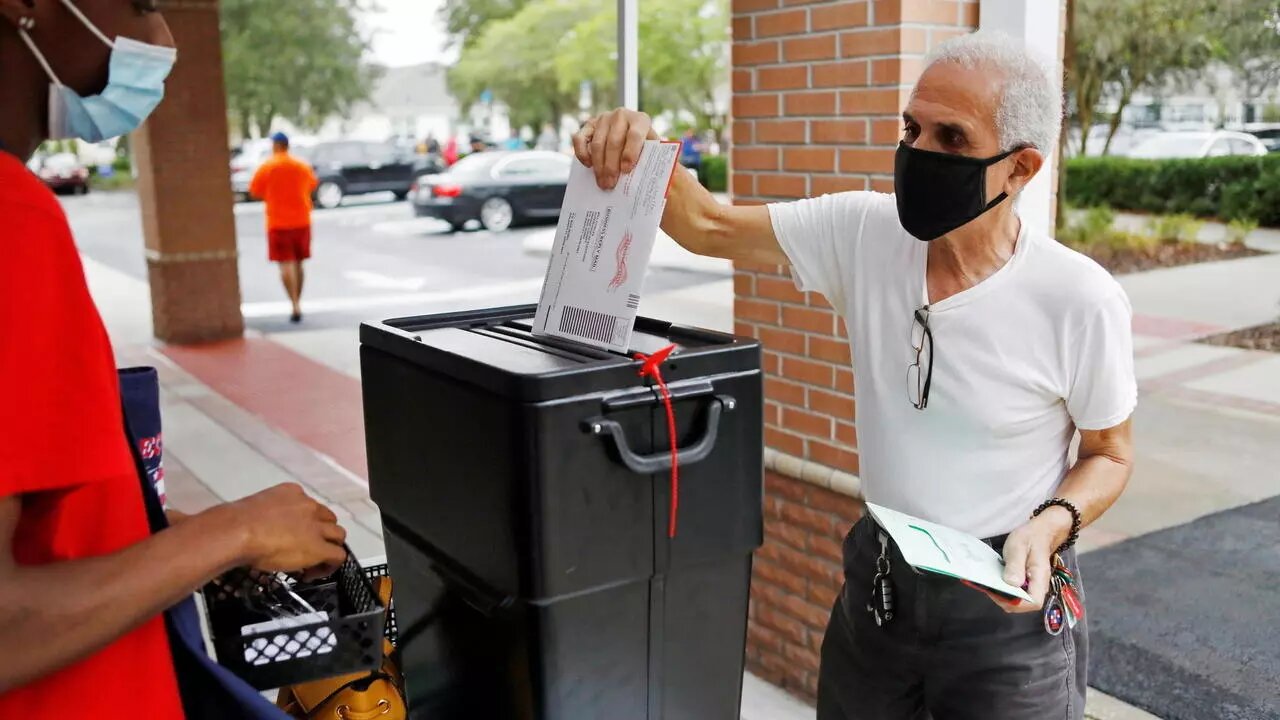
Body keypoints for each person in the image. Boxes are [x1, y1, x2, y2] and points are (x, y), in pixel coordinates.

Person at [575, 32, 1136, 720]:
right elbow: (707, 225)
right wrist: (637, 145)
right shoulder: (864, 232)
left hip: (1006, 606)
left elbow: (1110, 453)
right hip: (880, 584)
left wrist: (1051, 526)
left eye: (952, 138)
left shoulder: (1079, 298)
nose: (919, 152)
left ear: (1020, 168)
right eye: (911, 128)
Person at [0, 1, 349, 717]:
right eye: (143, 3)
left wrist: (169, 537)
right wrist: (233, 531)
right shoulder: (13, 220)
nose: (161, 37)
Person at [249, 131, 318, 323]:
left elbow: (254, 191)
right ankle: (299, 301)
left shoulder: (267, 167)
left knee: (286, 264)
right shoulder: (301, 165)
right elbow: (312, 184)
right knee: (299, 263)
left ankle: (294, 303)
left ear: (275, 145)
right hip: (302, 221)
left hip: (278, 222)